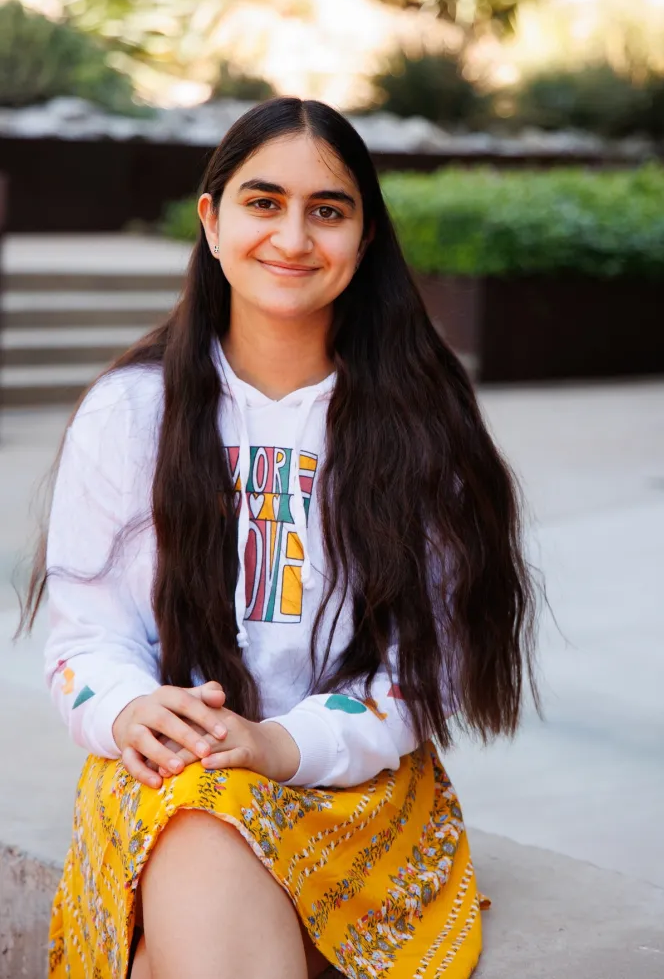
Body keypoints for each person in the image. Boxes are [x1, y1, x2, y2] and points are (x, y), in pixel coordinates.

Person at [19, 97, 542, 979]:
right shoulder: (130, 412)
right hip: (166, 774)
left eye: (326, 211)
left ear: (365, 237)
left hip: (352, 788)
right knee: (197, 809)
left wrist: (280, 747)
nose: (293, 238)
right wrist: (127, 709)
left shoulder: (421, 427)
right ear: (212, 221)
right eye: (263, 203)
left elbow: (429, 666)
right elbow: (85, 631)